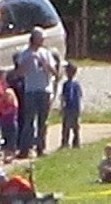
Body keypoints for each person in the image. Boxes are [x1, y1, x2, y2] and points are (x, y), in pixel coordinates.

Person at [13, 28, 58, 156]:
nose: (42, 40)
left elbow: (55, 72)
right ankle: (25, 148)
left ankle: (41, 147)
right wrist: (27, 63)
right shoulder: (25, 54)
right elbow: (18, 73)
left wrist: (45, 64)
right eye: (40, 38)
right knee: (29, 120)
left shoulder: (46, 53)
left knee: (43, 121)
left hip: (44, 89)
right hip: (30, 90)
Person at [59, 63, 84, 151]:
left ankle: (76, 142)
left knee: (75, 126)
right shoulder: (66, 84)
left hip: (74, 107)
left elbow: (78, 96)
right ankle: (65, 142)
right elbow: (63, 96)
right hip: (69, 107)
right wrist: (62, 106)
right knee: (66, 126)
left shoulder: (74, 84)